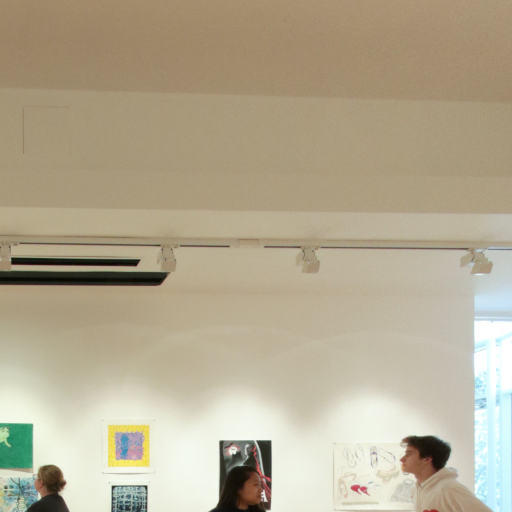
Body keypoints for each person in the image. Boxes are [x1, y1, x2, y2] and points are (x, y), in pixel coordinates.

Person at [400, 435, 493, 512]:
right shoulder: (417, 489)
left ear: (427, 459)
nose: (402, 459)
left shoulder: (449, 489)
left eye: (408, 454)